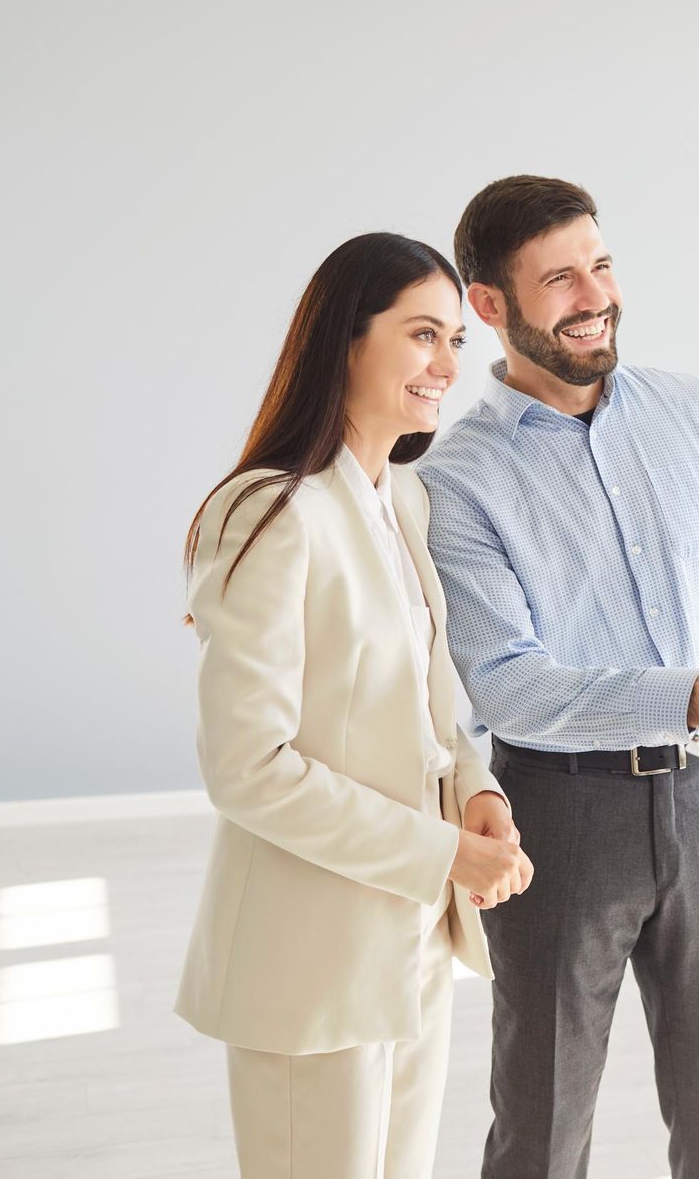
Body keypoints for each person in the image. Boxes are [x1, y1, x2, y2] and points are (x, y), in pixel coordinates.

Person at [417, 175, 699, 1179]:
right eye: (558, 277)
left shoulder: (693, 412)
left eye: (599, 263)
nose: (593, 292)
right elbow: (511, 683)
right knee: (542, 1121)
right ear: (489, 304)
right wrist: (691, 692)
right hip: (560, 816)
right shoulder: (454, 478)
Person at [176, 232, 534, 1179]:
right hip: (311, 957)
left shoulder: (401, 500)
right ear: (346, 339)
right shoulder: (268, 511)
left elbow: (430, 712)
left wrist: (479, 796)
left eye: (456, 340)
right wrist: (444, 852)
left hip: (410, 936)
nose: (446, 366)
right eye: (423, 335)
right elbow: (247, 768)